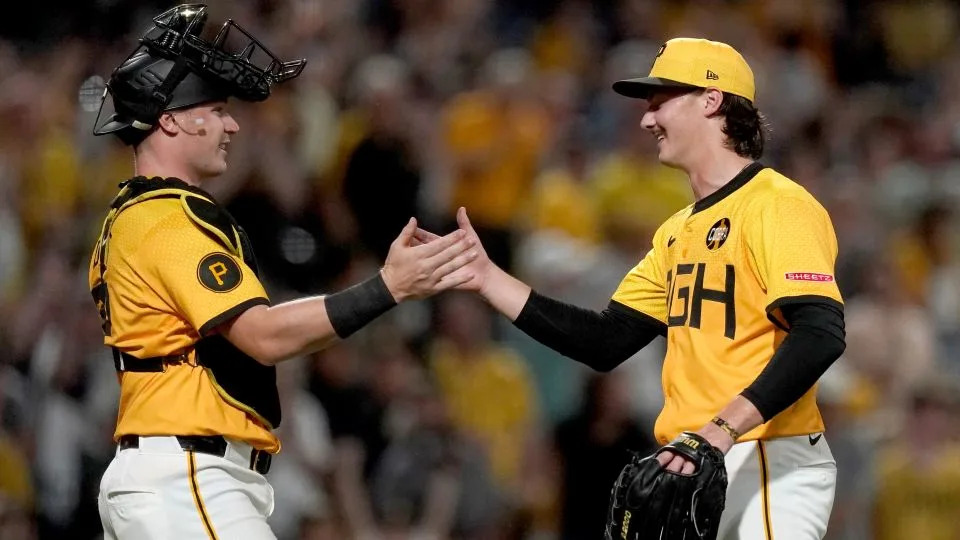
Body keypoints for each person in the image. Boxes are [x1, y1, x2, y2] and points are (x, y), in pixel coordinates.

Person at [423, 37, 846, 539]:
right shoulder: (675, 233)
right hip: (695, 459)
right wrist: (488, 279)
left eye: (660, 100)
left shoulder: (777, 206)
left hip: (770, 457)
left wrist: (721, 429)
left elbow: (821, 332)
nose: (647, 119)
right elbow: (607, 340)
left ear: (711, 101)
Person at [87, 5, 476, 539]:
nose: (232, 124)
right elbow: (263, 336)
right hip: (188, 478)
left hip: (166, 473)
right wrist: (389, 287)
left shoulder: (131, 216)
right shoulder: (167, 219)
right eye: (217, 109)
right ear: (171, 119)